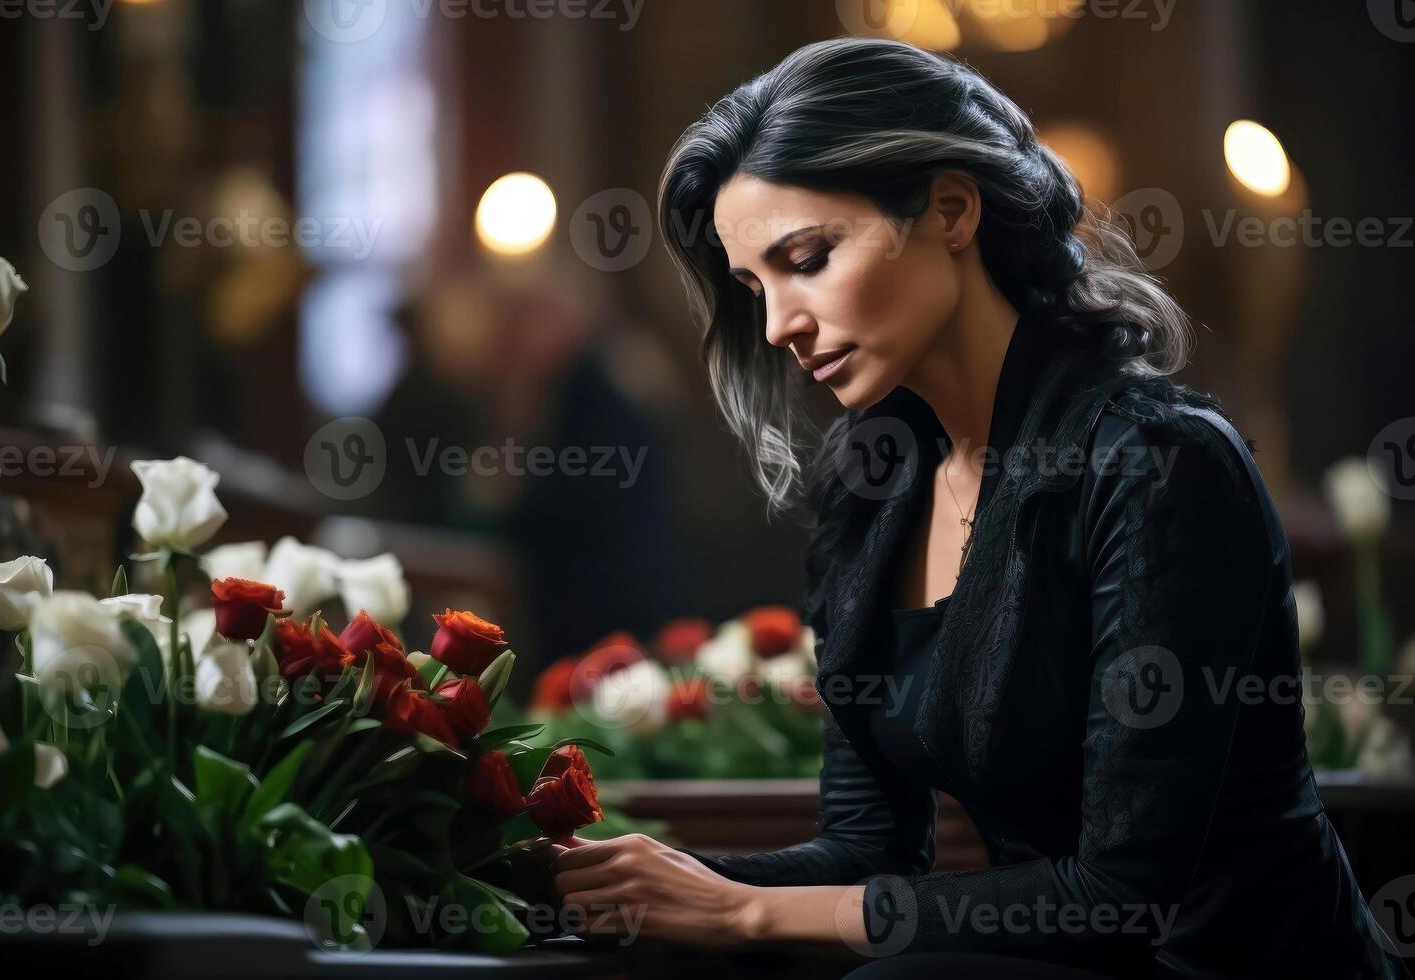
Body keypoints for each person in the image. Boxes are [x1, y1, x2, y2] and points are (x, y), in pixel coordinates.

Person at [547, 37, 1411, 980]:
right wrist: (617, 888)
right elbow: (865, 854)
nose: (778, 324)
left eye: (808, 258)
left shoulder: (1158, 461)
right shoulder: (871, 486)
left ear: (952, 209)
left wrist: (747, 913)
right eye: (755, 286)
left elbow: (1124, 900)